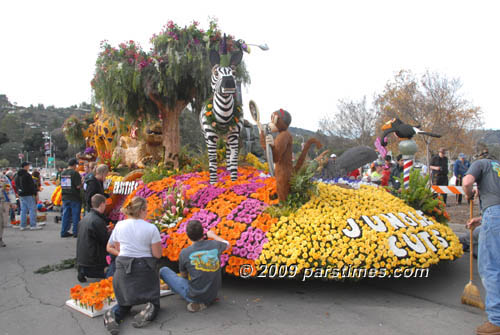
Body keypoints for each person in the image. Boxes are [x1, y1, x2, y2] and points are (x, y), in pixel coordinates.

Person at [104, 196, 162, 334]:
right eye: (146, 210)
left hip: (123, 270)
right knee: (155, 302)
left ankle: (114, 314)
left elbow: (117, 249)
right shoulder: (151, 228)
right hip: (144, 270)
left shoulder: (119, 225)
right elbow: (157, 254)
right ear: (141, 210)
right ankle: (150, 308)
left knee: (125, 302)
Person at [463, 149, 500, 334]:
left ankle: (496, 321)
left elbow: (467, 182)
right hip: (494, 215)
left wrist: (468, 194)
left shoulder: (481, 164)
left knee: (491, 268)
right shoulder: (497, 168)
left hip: (494, 216)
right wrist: (482, 218)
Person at [159, 220, 230, 313]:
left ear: (188, 235)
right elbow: (227, 244)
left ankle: (198, 301)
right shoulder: (215, 245)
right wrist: (213, 236)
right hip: (213, 293)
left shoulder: (185, 253)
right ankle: (204, 299)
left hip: (195, 295)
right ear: (203, 232)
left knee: (163, 271)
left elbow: (184, 276)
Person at [76, 194, 113, 283]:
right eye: (105, 204)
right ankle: (104, 271)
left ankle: (82, 271)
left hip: (81, 259)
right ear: (101, 205)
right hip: (93, 260)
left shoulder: (86, 218)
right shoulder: (97, 221)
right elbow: (106, 240)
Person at [15, 162, 42, 231]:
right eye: (28, 166)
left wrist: (18, 192)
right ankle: (33, 225)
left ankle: (23, 225)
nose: (29, 167)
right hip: (28, 194)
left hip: (21, 194)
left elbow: (16, 185)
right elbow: (31, 186)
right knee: (32, 209)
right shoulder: (27, 175)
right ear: (25, 166)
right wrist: (35, 193)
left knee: (23, 210)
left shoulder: (17, 175)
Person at [60, 158, 82, 238]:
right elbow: (78, 186)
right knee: (75, 215)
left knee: (65, 215)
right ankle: (75, 232)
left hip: (65, 196)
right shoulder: (75, 173)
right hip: (74, 197)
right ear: (74, 165)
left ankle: (63, 231)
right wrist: (82, 182)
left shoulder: (63, 173)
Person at [1, 173, 17, 246]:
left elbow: (9, 189)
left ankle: (0, 238)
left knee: (2, 222)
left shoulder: (2, 177)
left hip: (2, 202)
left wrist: (13, 202)